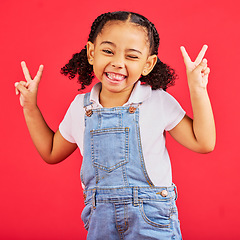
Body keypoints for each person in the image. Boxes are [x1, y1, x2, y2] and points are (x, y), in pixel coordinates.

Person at [15, 11, 216, 240]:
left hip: (152, 221)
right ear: (91, 52)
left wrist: (197, 89)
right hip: (101, 223)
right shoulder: (81, 107)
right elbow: (51, 151)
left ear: (148, 64)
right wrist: (30, 107)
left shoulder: (157, 100)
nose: (118, 63)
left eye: (131, 56)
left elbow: (204, 142)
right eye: (108, 51)